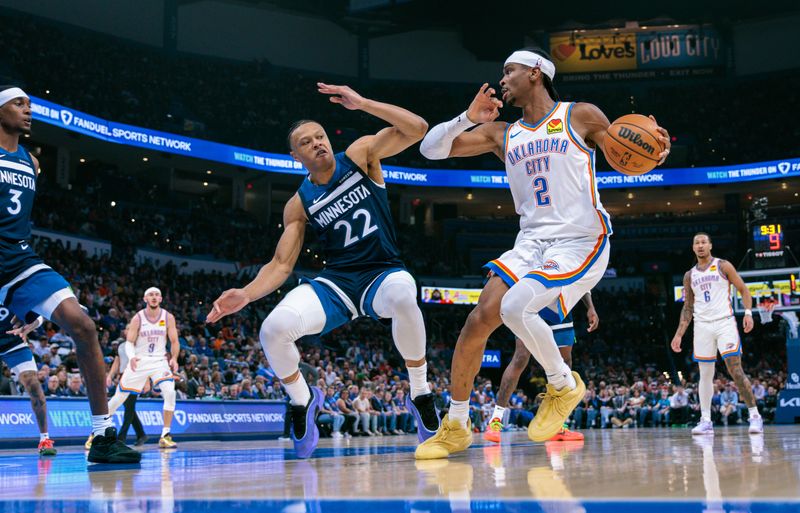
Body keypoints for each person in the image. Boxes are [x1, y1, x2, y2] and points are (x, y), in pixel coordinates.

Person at [414, 49, 670, 459]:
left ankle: (563, 385)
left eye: (509, 70)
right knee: (478, 320)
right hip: (531, 242)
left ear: (535, 73)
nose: (502, 79)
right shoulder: (501, 133)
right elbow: (430, 150)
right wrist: (468, 118)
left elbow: (625, 151)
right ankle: (457, 425)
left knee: (516, 308)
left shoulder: (580, 115)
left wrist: (652, 149)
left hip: (580, 239)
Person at [206, 83, 437, 459]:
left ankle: (420, 392)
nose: (317, 143)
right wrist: (246, 294)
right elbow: (281, 265)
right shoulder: (298, 204)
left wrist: (362, 103)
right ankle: (303, 399)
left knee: (403, 294)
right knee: (272, 329)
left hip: (382, 271)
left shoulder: (360, 154)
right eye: (306, 142)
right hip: (338, 282)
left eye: (321, 136)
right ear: (295, 155)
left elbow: (417, 128)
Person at [0, 86, 139, 463]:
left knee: (83, 325)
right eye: (18, 103)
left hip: (19, 261)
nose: (28, 110)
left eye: (29, 104)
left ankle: (102, 436)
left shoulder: (32, 161)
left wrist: (25, 304)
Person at [671, 232, 764, 435]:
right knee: (704, 374)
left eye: (704, 242)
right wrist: (679, 334)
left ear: (710, 245)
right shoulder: (690, 275)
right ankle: (706, 421)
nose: (701, 245)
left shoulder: (723, 265)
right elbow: (687, 307)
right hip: (702, 326)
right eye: (697, 243)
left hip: (724, 323)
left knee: (735, 370)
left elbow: (743, 290)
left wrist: (748, 313)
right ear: (693, 248)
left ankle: (755, 415)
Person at [483, 293, 598, 443]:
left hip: (560, 305)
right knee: (520, 358)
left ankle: (557, 425)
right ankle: (495, 420)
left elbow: (582, 278)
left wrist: (590, 306)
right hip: (532, 300)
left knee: (564, 363)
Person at [87, 287, 179, 449]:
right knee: (118, 398)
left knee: (170, 392)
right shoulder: (138, 318)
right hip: (139, 360)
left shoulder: (168, 317)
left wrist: (175, 359)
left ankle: (165, 435)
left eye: (157, 294)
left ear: (161, 298)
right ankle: (95, 433)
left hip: (159, 360)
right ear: (145, 299)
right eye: (150, 294)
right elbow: (129, 342)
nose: (154, 297)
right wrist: (132, 357)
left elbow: (174, 341)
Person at [1, 310, 54, 454]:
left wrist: (29, 327)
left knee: (33, 384)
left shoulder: (11, 289)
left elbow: (40, 315)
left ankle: (45, 439)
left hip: (14, 343)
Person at [105, 333, 148, 446]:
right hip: (123, 377)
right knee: (129, 407)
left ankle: (121, 438)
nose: (129, 330)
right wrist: (110, 375)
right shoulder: (121, 345)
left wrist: (147, 381)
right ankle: (141, 434)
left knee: (129, 407)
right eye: (128, 329)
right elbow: (117, 361)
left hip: (136, 377)